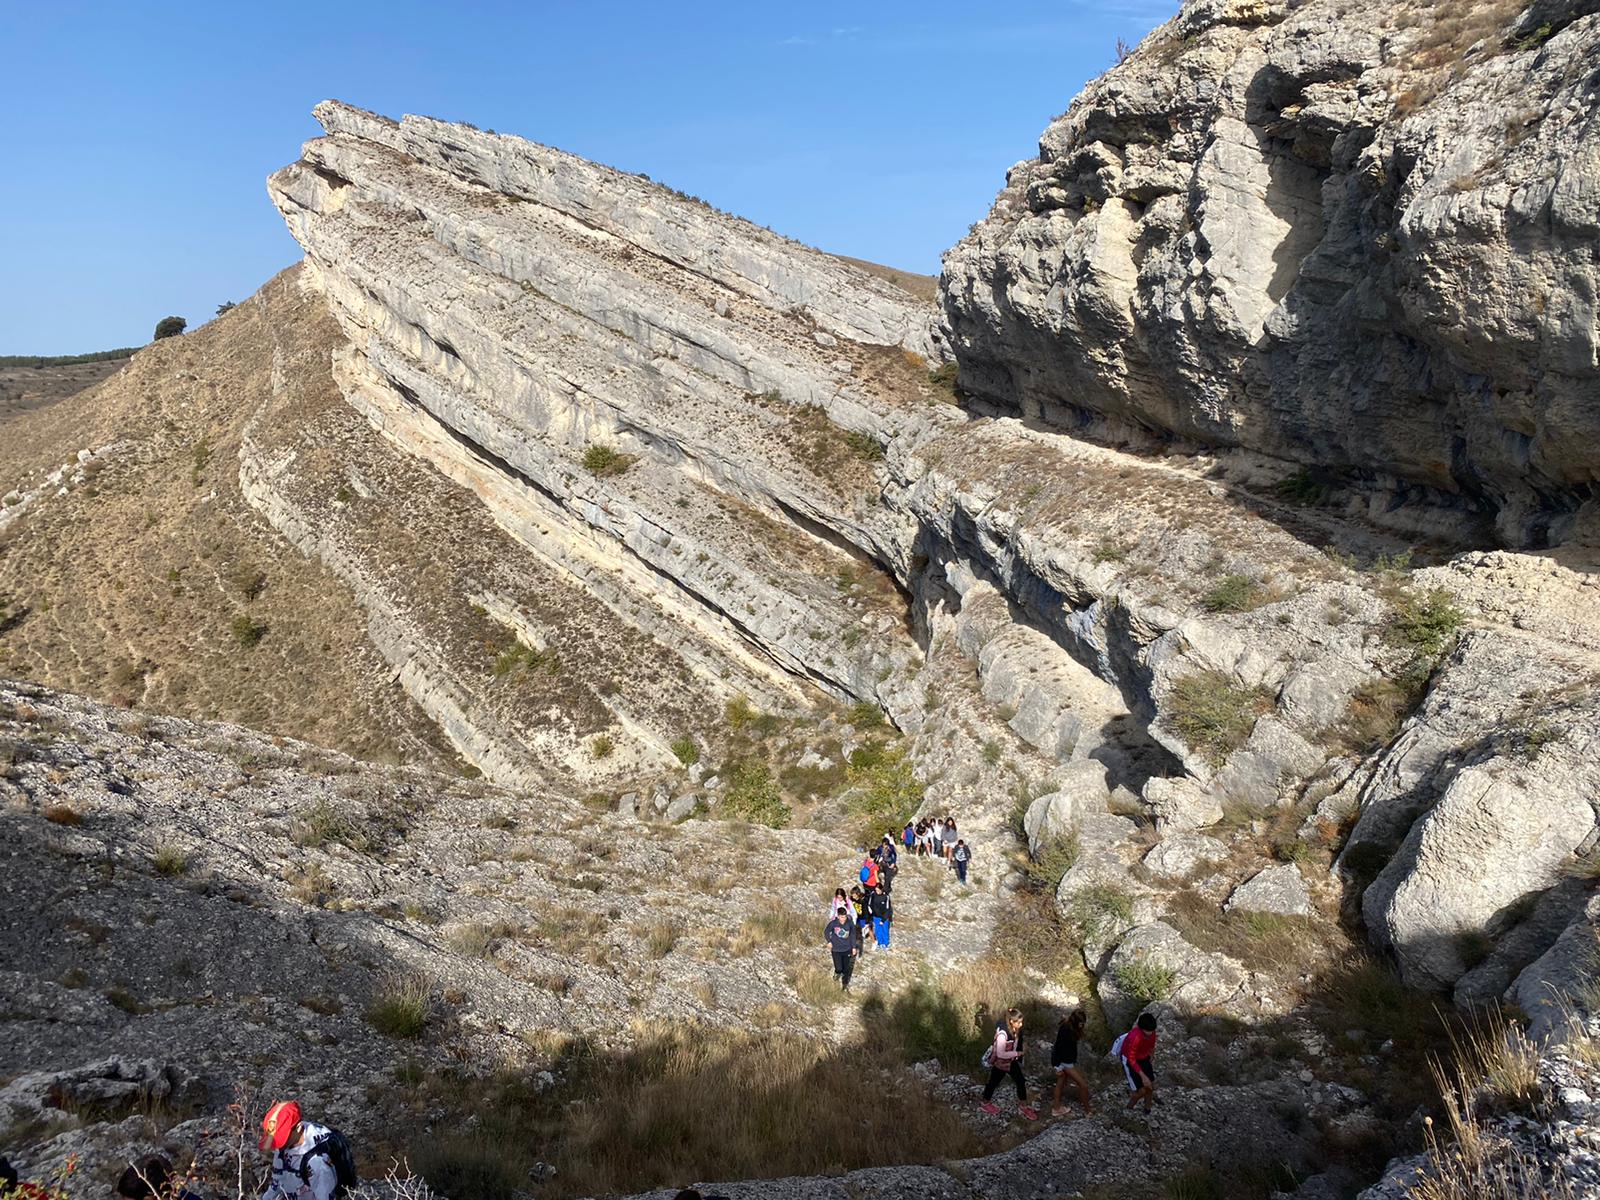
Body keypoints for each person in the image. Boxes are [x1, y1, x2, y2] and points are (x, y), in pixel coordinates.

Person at [258, 1101, 356, 1200]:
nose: (277, 1146)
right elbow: (277, 1181)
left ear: (298, 1128)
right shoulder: (283, 1144)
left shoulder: (318, 1164)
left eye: (282, 1138)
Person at [979, 1008, 1036, 1119]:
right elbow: (1000, 1053)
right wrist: (1018, 1053)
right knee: (993, 1082)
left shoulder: (1016, 1029)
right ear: (1011, 1022)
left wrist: (1021, 1048)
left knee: (1020, 1081)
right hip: (1001, 1063)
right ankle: (985, 1103)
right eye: (1018, 1022)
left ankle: (1023, 1106)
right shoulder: (1003, 1034)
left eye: (1021, 1022)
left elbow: (1018, 1041)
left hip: (1011, 1061)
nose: (1021, 1024)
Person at [1050, 1010, 1094, 1117]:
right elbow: (1058, 1047)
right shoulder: (1066, 1030)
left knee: (1060, 1084)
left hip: (1066, 1061)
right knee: (1083, 1085)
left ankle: (1056, 1108)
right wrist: (1057, 1066)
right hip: (1065, 1063)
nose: (1082, 1025)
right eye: (1081, 1023)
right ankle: (1088, 1110)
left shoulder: (1069, 1027)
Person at [1119, 1011, 1160, 1113]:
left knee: (1150, 1086)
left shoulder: (1151, 1032)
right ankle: (1129, 1108)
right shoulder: (1135, 1037)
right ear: (1141, 1029)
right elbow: (1131, 1059)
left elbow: (1151, 1045)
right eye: (1148, 1031)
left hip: (1143, 1057)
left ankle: (1147, 1108)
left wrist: (1151, 1055)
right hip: (1130, 1060)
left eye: (1152, 1031)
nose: (1150, 1033)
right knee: (1141, 1090)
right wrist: (1143, 1076)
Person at [824, 907, 861, 989]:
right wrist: (829, 942)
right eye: (841, 917)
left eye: (844, 917)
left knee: (846, 969)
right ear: (838, 916)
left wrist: (854, 947)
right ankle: (836, 975)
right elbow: (826, 931)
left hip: (847, 949)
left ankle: (844, 986)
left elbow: (853, 935)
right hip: (836, 949)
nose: (843, 919)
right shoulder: (833, 923)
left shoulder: (850, 923)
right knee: (838, 968)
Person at [868, 882, 892, 949]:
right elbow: (870, 904)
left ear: (881, 889)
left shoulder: (886, 897)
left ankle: (885, 943)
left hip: (884, 917)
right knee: (878, 930)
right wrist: (871, 910)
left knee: (885, 930)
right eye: (876, 890)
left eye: (878, 890)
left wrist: (884, 919)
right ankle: (879, 942)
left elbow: (888, 909)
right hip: (876, 916)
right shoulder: (873, 894)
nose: (877, 892)